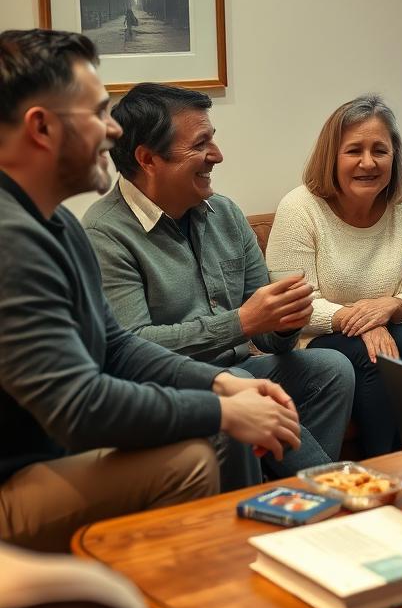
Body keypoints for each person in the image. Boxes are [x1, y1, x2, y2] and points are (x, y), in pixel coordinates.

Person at [0, 29, 302, 552]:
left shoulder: (53, 223)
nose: (112, 130)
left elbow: (116, 345)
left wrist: (219, 385)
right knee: (190, 460)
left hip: (50, 457)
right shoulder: (11, 239)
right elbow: (79, 406)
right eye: (97, 113)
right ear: (42, 127)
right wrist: (223, 411)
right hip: (17, 479)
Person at [83, 83, 354, 490]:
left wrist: (282, 322)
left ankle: (289, 495)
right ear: (148, 159)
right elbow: (131, 346)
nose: (217, 155)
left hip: (240, 369)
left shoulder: (224, 213)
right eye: (201, 144)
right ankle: (325, 491)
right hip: (167, 388)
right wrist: (242, 322)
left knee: (331, 369)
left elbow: (272, 340)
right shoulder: (104, 234)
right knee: (237, 407)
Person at [265, 96, 402, 457]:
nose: (368, 162)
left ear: (394, 157)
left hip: (389, 333)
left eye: (379, 150)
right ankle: (385, 465)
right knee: (371, 355)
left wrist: (390, 306)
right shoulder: (300, 208)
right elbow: (292, 304)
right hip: (313, 342)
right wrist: (357, 320)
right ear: (332, 157)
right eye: (354, 150)